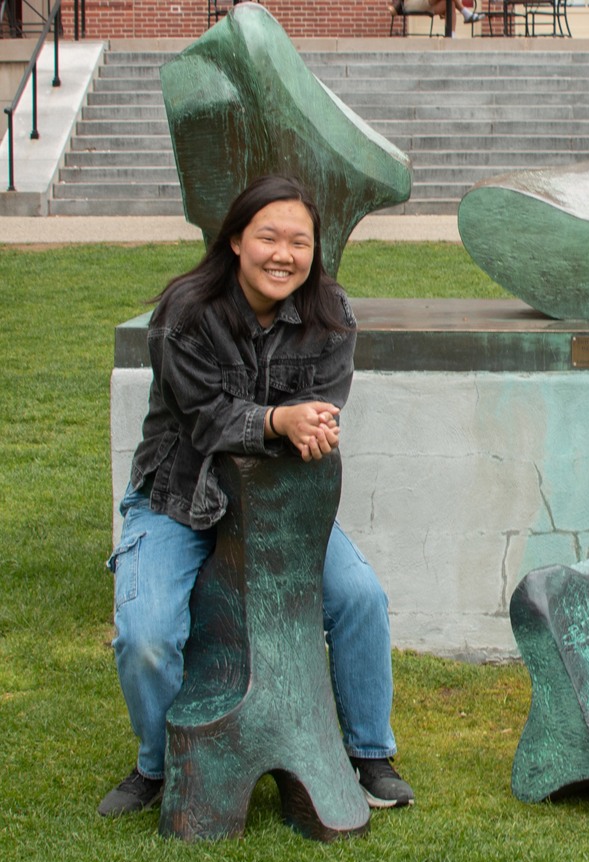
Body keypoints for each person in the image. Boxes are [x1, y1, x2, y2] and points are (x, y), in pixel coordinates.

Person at [99, 175, 414, 818]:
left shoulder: (330, 314)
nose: (283, 254)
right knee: (147, 635)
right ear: (237, 240)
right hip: (179, 494)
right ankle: (161, 763)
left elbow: (324, 407)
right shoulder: (185, 311)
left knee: (361, 598)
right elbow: (204, 421)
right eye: (268, 236)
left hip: (280, 505)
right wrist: (279, 422)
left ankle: (370, 753)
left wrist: (313, 425)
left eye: (300, 241)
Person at [389, 0, 485, 31]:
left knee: (449, 3)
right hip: (412, 3)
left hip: (428, 4)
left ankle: (451, 37)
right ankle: (465, 12)